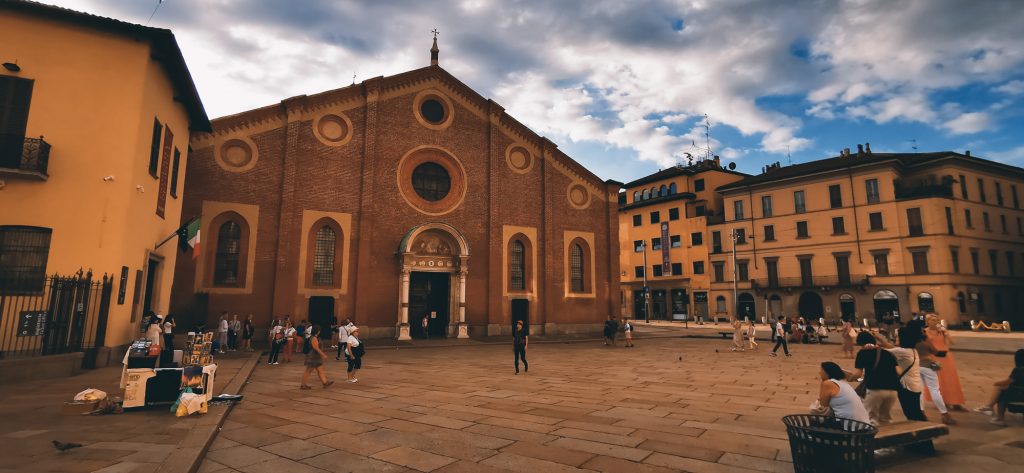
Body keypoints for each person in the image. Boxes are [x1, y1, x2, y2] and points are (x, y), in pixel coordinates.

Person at [874, 320, 927, 421]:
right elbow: (893, 349)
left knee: (912, 415)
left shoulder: (903, 352)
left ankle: (924, 433)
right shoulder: (911, 350)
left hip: (907, 388)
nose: (896, 338)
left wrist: (874, 343)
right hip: (914, 386)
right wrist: (882, 341)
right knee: (916, 413)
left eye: (898, 337)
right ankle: (925, 432)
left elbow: (882, 352)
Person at [849, 332, 899, 425]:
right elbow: (898, 371)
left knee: (870, 421)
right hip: (892, 390)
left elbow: (858, 374)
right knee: (886, 420)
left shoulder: (862, 353)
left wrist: (849, 378)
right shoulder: (887, 353)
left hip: (875, 389)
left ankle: (873, 439)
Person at [924, 315, 965, 411]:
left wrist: (946, 334)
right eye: (933, 320)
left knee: (951, 379)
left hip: (946, 356)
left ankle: (955, 402)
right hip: (934, 357)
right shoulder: (925, 332)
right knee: (939, 380)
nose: (935, 322)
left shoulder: (942, 331)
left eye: (937, 320)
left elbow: (950, 343)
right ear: (928, 322)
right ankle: (943, 401)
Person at [917, 324, 955, 424]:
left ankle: (921, 413)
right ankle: (944, 414)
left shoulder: (908, 340)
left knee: (920, 391)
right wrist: (945, 352)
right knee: (934, 390)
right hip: (926, 365)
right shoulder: (925, 339)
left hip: (915, 366)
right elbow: (936, 352)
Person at [975, 349, 1024, 426]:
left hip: (1017, 395)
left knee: (1001, 392)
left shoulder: (1018, 370)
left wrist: (997, 383)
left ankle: (998, 416)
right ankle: (989, 406)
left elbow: (1007, 381)